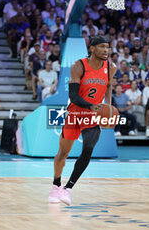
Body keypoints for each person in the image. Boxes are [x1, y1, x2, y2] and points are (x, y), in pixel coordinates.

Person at [48, 36, 116, 205]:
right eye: (102, 47)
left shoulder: (111, 67)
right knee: (63, 154)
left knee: (88, 148)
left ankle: (68, 188)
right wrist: (90, 105)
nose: (106, 50)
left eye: (107, 47)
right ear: (92, 49)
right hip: (75, 112)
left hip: (93, 116)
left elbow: (108, 86)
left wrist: (108, 106)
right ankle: (56, 185)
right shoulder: (78, 66)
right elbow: (73, 95)